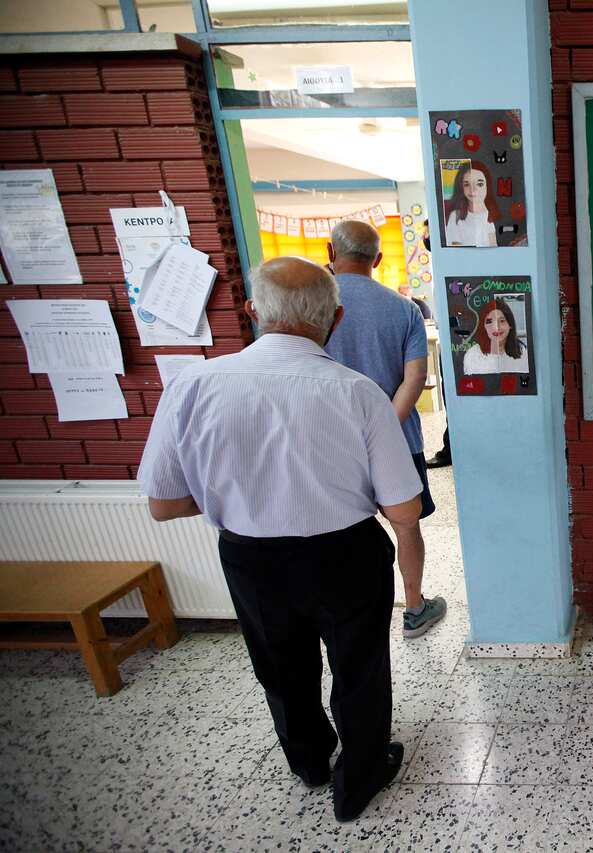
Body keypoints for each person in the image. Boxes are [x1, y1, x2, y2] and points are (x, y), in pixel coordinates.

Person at [137, 257, 418, 822]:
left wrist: (236, 495)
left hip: (251, 556)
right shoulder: (359, 394)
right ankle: (358, 779)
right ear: (335, 318)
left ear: (252, 311)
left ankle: (309, 761)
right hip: (346, 553)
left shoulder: (192, 385)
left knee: (279, 663)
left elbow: (164, 504)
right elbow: (404, 508)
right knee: (359, 665)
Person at [325, 221, 446, 640]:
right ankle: (414, 609)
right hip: (397, 440)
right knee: (406, 525)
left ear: (330, 251)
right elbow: (414, 379)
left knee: (342, 530)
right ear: (377, 259)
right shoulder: (403, 308)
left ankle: (350, 616)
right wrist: (381, 431)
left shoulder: (311, 307)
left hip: (331, 442)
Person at [462, 297, 529, 374]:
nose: (496, 327)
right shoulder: (472, 355)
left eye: (502, 321)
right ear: (483, 327)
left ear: (510, 325)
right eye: (490, 322)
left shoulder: (523, 353)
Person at [445, 161, 499, 247]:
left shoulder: (493, 215)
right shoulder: (456, 216)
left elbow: (495, 246)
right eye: (467, 184)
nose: (473, 190)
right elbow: (455, 252)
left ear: (487, 185)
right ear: (461, 187)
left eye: (479, 184)